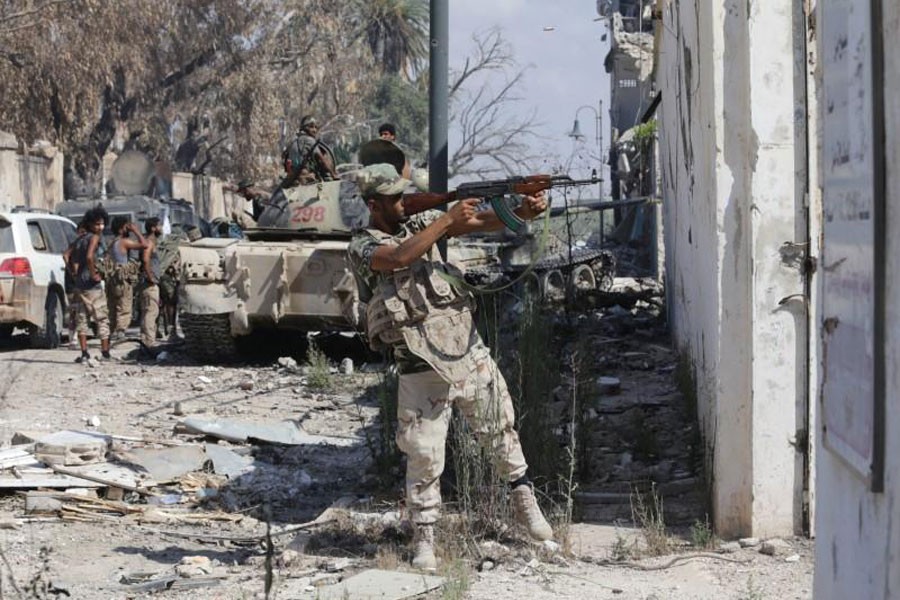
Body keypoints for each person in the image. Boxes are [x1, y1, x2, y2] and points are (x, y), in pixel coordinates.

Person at [347, 163, 553, 570]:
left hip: (465, 348)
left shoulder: (424, 219)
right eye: (395, 198)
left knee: (501, 430)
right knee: (424, 454)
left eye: (406, 194)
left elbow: (479, 221)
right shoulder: (361, 244)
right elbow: (402, 255)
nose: (404, 202)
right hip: (418, 363)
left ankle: (526, 504)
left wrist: (523, 211)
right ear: (374, 205)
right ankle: (424, 538)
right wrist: (445, 219)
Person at [64, 207, 112, 363]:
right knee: (102, 318)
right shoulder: (94, 238)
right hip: (92, 286)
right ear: (91, 224)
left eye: (102, 224)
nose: (100, 227)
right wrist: (94, 274)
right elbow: (90, 257)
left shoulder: (79, 239)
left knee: (82, 320)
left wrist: (73, 273)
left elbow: (65, 255)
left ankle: (84, 353)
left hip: (79, 285)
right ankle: (105, 353)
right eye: (97, 224)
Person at [106, 216, 147, 339]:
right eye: (126, 227)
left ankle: (112, 330)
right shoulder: (124, 242)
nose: (128, 229)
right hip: (122, 279)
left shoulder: (111, 242)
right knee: (124, 304)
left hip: (112, 278)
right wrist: (136, 231)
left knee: (113, 305)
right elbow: (144, 244)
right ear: (120, 229)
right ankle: (120, 330)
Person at [282, 115, 338, 186]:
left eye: (315, 127)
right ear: (305, 128)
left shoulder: (292, 142)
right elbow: (322, 159)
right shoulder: (309, 140)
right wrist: (333, 174)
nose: (314, 130)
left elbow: (284, 158)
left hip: (292, 179)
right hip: (306, 177)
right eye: (311, 127)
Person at [138, 217, 163, 356]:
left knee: (149, 311)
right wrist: (150, 277)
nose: (161, 228)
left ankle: (146, 340)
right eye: (159, 226)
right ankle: (149, 341)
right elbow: (145, 259)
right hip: (149, 284)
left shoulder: (151, 241)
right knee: (150, 312)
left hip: (150, 283)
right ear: (153, 228)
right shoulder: (149, 242)